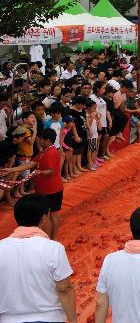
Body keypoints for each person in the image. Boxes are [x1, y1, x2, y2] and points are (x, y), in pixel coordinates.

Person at [0, 194, 76, 323]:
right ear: (44, 218)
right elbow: (65, 288)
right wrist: (74, 320)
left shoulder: (2, 247)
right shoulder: (53, 248)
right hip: (49, 317)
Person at [1, 129, 66, 239]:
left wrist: (39, 172)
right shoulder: (45, 151)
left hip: (51, 190)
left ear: (47, 140)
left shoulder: (51, 153)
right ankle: (52, 238)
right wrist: (11, 170)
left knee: (50, 214)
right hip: (47, 189)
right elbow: (31, 164)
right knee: (51, 214)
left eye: (41, 138)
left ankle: (52, 238)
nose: (38, 140)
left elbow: (51, 170)